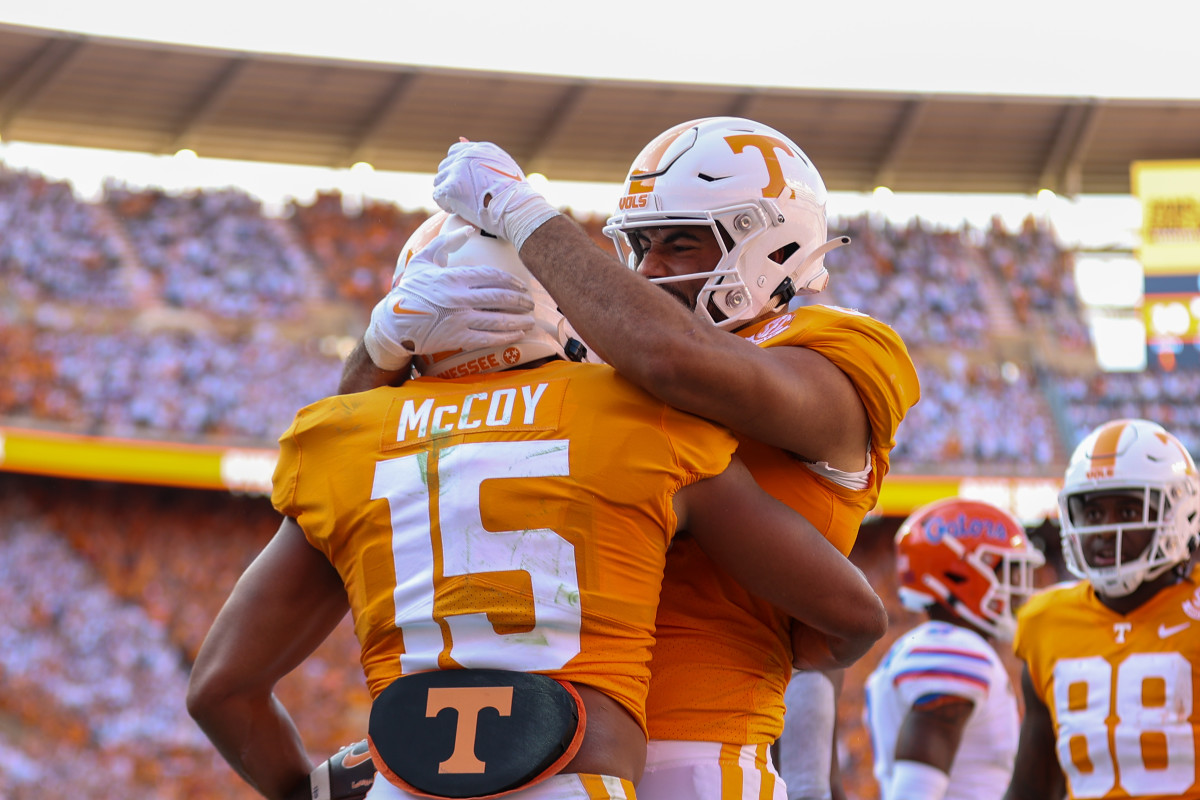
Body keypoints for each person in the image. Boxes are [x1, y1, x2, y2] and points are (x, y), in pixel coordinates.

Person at [186, 213, 889, 800]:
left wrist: (304, 794)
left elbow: (220, 692)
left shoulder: (335, 437)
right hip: (579, 776)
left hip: (406, 781)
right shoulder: (640, 415)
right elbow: (852, 615)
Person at [426, 117, 921, 798]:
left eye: (680, 241)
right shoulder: (614, 353)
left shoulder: (839, 347)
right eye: (640, 245)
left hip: (693, 751)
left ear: (771, 240)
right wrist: (383, 344)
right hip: (529, 747)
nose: (651, 269)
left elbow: (678, 362)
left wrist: (523, 213)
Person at [1002, 418, 1200, 800]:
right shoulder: (1046, 621)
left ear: (1180, 512)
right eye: (1093, 514)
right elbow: (1032, 786)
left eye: (1128, 512)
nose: (1106, 530)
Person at [865, 497, 1045, 800]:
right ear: (960, 574)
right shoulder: (953, 652)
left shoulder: (928, 646)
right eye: (1007, 571)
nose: (1018, 586)